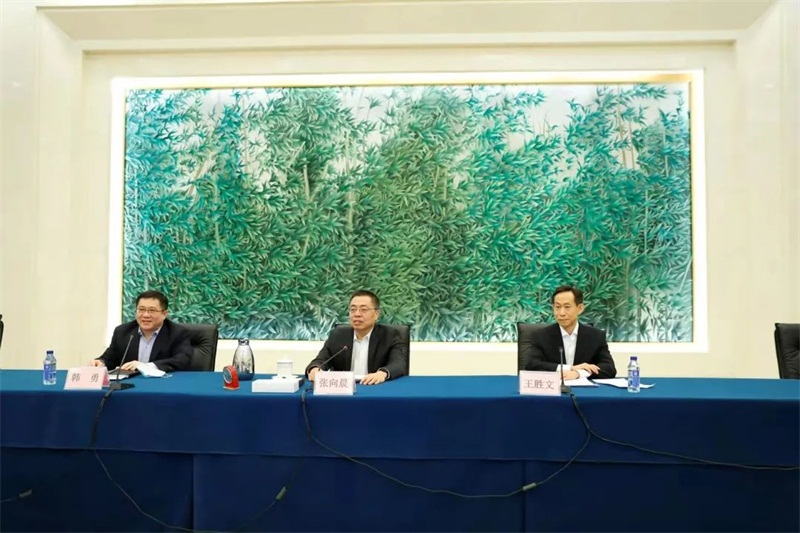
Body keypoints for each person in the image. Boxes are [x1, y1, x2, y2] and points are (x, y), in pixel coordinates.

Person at [306, 290, 408, 385]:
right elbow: (320, 360)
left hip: (376, 388)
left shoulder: (390, 335)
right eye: (353, 309)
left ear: (376, 314)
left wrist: (382, 374)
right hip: (344, 390)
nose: (357, 314)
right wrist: (315, 369)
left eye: (363, 310)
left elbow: (399, 363)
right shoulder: (338, 335)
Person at [522, 285, 616, 379]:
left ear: (580, 308)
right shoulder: (541, 336)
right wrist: (570, 368)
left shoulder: (596, 336)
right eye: (557, 307)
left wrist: (578, 373)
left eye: (567, 307)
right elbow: (532, 365)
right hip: (554, 386)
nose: (561, 313)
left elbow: (609, 369)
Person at [90, 290, 192, 372]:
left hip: (162, 385)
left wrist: (145, 366)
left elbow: (182, 360)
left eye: (152, 310)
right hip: (130, 385)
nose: (145, 315)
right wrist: (101, 362)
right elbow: (110, 358)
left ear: (164, 314)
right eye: (141, 309)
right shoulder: (122, 331)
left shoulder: (177, 332)